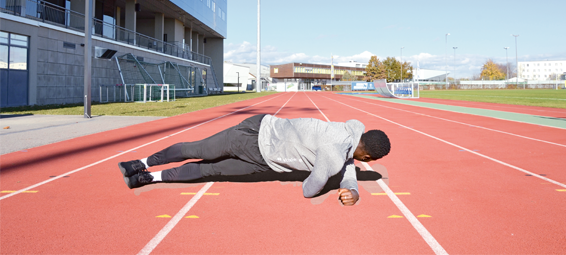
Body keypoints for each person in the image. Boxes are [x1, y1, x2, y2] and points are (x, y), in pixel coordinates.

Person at [118, 114, 390, 206]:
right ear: (366, 156)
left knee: (213, 170)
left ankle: (147, 178)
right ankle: (141, 163)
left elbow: (347, 163)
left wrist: (352, 187)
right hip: (255, 133)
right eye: (368, 161)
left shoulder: (351, 130)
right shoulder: (334, 154)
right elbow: (309, 190)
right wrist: (335, 178)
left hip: (264, 162)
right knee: (200, 149)